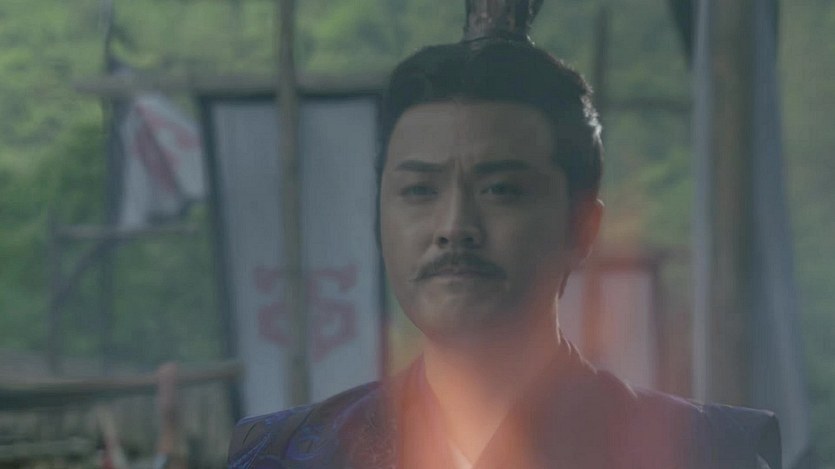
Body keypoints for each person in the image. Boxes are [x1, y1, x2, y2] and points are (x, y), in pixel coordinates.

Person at [227, 1, 781, 467]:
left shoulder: (705, 453)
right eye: (419, 191)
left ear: (582, 227)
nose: (454, 228)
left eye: (502, 190)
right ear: (378, 220)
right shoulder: (282, 454)